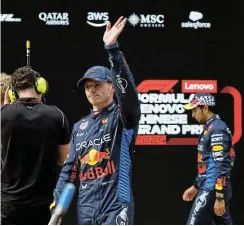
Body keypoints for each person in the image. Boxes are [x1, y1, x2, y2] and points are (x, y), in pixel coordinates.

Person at [51, 16, 141, 225]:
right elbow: (70, 170)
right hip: (86, 209)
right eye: (87, 86)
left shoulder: (122, 117)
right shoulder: (79, 127)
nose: (92, 90)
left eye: (97, 84)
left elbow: (129, 97)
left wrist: (113, 51)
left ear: (111, 86)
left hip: (117, 205)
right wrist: (57, 203)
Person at [1, 66, 70, 225]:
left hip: (7, 206)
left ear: (13, 92)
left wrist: (7, 105)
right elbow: (65, 159)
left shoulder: (3, 114)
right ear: (41, 86)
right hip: (41, 206)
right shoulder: (56, 115)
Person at [182, 93, 235, 225]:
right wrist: (196, 186)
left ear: (205, 108)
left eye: (195, 110)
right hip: (211, 187)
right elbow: (206, 163)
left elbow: (221, 163)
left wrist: (219, 195)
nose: (193, 115)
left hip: (212, 189)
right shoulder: (212, 128)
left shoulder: (217, 129)